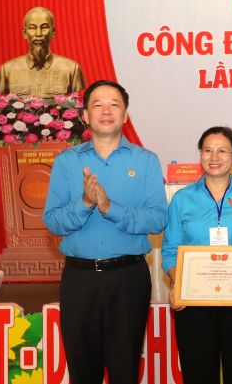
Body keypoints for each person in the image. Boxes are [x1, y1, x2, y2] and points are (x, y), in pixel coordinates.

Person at [43, 80, 167, 384]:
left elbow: (157, 220)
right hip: (79, 279)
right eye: (98, 104)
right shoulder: (67, 161)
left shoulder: (146, 160)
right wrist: (85, 202)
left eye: (115, 104)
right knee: (83, 369)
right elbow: (54, 221)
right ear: (86, 115)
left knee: (125, 367)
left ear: (125, 115)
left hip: (128, 277)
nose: (106, 111)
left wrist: (110, 207)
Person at [162, 126, 232, 384]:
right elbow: (170, 251)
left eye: (223, 150)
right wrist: (178, 284)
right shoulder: (182, 199)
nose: (215, 157)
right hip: (194, 307)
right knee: (198, 375)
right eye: (208, 150)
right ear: (200, 156)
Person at [0, 6, 86, 98]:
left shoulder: (71, 69)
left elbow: (78, 104)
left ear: (53, 31)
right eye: (32, 28)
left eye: (44, 27)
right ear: (24, 33)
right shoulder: (7, 70)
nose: (38, 34)